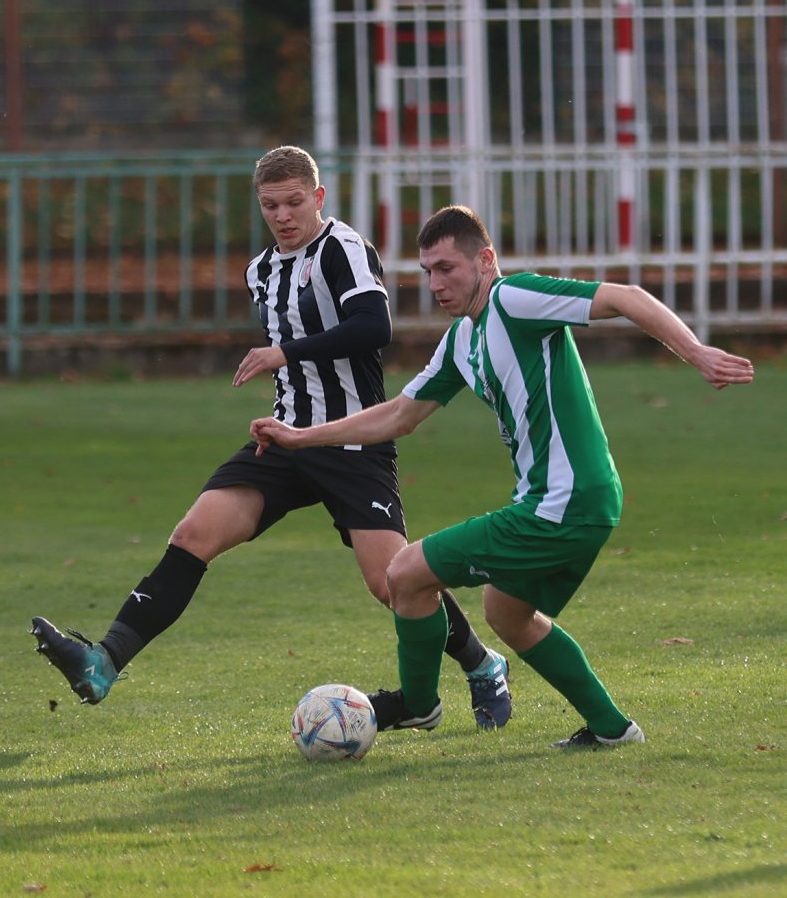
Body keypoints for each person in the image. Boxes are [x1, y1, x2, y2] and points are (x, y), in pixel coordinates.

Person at [31, 146, 512, 728]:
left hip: (352, 441)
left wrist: (285, 352)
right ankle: (104, 660)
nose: (283, 215)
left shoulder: (343, 248)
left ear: (318, 198)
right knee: (192, 534)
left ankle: (483, 665)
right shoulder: (259, 270)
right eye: (270, 206)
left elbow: (374, 326)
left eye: (294, 202)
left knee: (393, 582)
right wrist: (286, 395)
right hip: (284, 441)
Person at [251, 204, 754, 748]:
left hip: (563, 501)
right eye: (427, 272)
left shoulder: (514, 299)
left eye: (447, 268)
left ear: (485, 260)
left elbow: (626, 297)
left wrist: (696, 352)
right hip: (569, 501)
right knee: (508, 614)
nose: (436, 284)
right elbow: (400, 416)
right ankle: (612, 729)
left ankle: (418, 704)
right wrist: (300, 436)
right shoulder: (461, 340)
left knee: (406, 573)